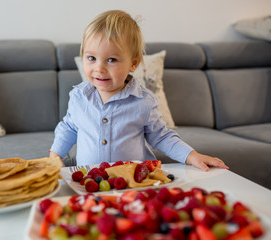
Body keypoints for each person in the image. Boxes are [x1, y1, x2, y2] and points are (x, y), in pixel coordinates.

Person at [49, 10, 229, 171]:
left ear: (133, 63)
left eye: (111, 59)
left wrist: (191, 156)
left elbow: (162, 137)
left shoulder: (143, 101)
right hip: (89, 181)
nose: (99, 68)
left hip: (135, 182)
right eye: (91, 58)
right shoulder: (79, 96)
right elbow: (69, 128)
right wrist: (55, 155)